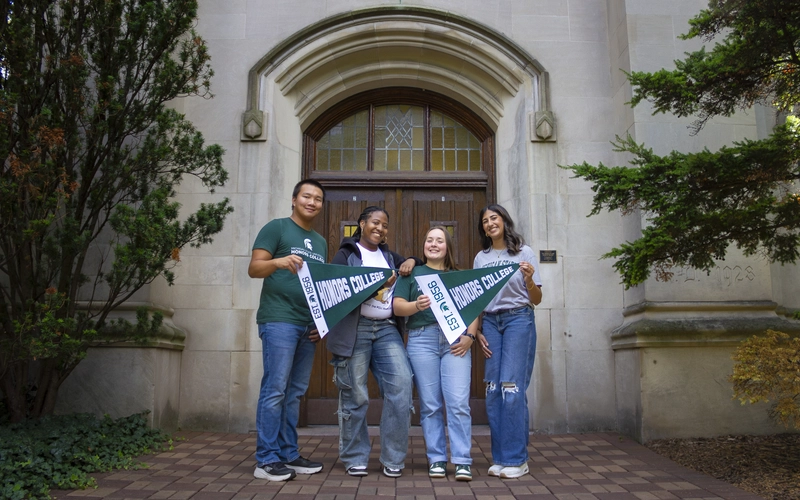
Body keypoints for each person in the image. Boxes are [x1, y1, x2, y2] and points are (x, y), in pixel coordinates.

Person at [327, 206, 417, 478]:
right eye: (375, 223)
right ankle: (355, 456)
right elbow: (335, 290)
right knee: (356, 395)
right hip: (356, 329)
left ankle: (393, 458)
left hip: (388, 329)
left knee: (402, 386)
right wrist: (376, 285)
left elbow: (416, 264)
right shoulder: (346, 255)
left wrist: (411, 260)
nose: (380, 228)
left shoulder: (389, 256)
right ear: (362, 224)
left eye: (385, 225)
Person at [247, 179, 328, 482]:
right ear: (294, 200)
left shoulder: (319, 241)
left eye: (318, 199)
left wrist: (321, 323)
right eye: (307, 196)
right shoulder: (276, 228)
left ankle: (289, 454)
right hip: (279, 320)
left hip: (308, 325)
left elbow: (319, 285)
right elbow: (254, 268)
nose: (312, 202)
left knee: (294, 393)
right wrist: (278, 262)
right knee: (275, 389)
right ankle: (266, 460)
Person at [393, 226, 479, 482]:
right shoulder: (411, 273)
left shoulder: (459, 275)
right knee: (430, 405)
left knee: (458, 403)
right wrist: (414, 305)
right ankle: (436, 459)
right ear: (423, 246)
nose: (433, 244)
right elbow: (397, 308)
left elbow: (474, 309)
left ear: (447, 246)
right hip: (421, 341)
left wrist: (470, 337)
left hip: (455, 341)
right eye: (429, 239)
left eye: (439, 240)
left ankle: (462, 461)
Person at [473, 204, 543, 479]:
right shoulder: (481, 257)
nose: (490, 223)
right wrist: (476, 331)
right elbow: (478, 298)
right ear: (483, 229)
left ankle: (517, 459)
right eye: (485, 221)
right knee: (493, 389)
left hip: (518, 320)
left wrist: (528, 279)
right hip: (490, 322)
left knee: (511, 389)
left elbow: (537, 299)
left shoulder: (524, 252)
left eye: (494, 218)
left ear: (504, 221)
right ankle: (501, 458)